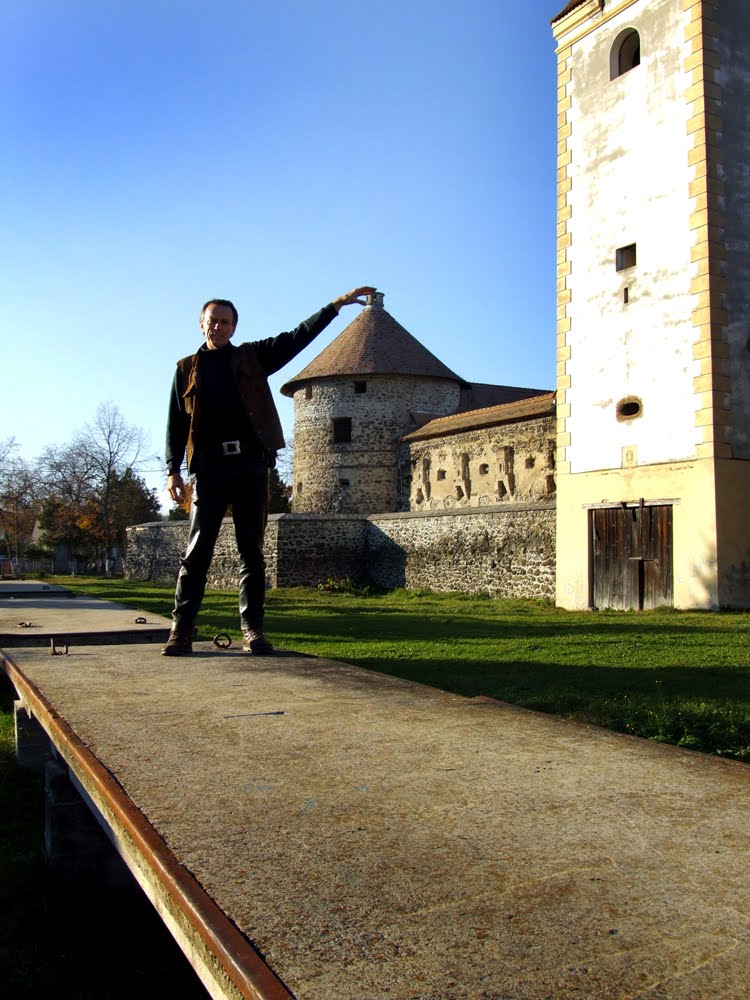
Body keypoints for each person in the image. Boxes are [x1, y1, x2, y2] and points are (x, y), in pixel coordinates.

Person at [162, 285, 375, 656]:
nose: (218, 327)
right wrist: (172, 470)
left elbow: (296, 337)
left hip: (250, 466)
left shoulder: (252, 357)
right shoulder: (185, 369)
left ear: (234, 327)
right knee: (196, 553)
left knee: (252, 553)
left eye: (225, 322)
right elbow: (176, 424)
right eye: (212, 321)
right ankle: (180, 631)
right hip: (209, 469)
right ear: (201, 324)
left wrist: (335, 306)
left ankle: (253, 631)